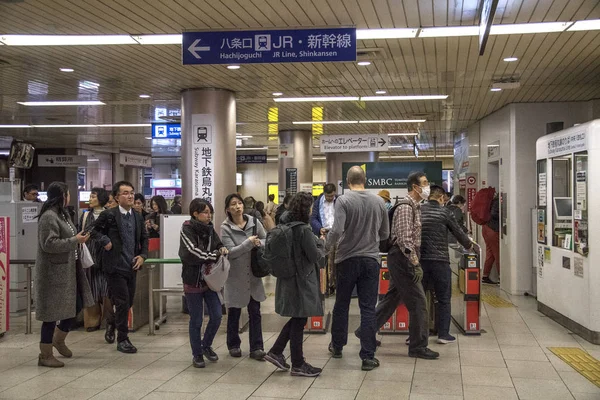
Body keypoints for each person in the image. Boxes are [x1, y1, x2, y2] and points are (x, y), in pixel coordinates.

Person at [357, 171, 440, 360]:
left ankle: (365, 331)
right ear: (415, 187)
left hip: (401, 258)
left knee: (391, 300)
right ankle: (418, 346)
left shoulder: (415, 206)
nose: (427, 186)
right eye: (425, 183)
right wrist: (415, 263)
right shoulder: (405, 207)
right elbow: (404, 239)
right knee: (419, 304)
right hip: (403, 259)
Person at [327, 166, 389, 371]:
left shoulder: (343, 201)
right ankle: (368, 356)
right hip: (371, 260)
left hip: (346, 259)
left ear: (347, 180)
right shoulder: (379, 202)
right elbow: (385, 234)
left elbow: (336, 231)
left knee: (342, 304)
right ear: (366, 179)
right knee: (368, 308)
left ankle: (337, 346)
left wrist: (326, 246)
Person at [264, 192, 325, 377]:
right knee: (299, 319)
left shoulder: (286, 224)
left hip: (289, 278)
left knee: (298, 318)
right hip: (302, 280)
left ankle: (276, 351)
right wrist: (321, 243)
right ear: (307, 209)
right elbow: (315, 256)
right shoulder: (304, 230)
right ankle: (297, 363)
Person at [34, 182, 94, 368]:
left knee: (75, 306)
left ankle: (58, 340)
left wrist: (78, 239)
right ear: (61, 195)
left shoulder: (64, 214)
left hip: (69, 269)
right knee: (50, 315)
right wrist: (74, 239)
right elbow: (48, 244)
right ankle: (45, 354)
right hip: (53, 273)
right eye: (67, 193)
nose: (69, 196)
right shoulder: (48, 217)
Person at [92, 181, 149, 354]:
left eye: (131, 192)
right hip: (115, 265)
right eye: (125, 193)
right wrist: (105, 241)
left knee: (128, 301)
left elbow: (144, 239)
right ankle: (122, 339)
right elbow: (93, 231)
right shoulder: (109, 215)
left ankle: (111, 321)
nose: (130, 196)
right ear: (116, 197)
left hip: (132, 265)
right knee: (123, 302)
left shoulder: (138, 216)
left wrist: (143, 256)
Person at [420, 185, 478, 344]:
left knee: (418, 298)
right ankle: (443, 334)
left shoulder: (418, 210)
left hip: (421, 261)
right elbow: (458, 232)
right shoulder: (445, 212)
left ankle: (417, 335)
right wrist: (469, 245)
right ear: (440, 198)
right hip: (440, 261)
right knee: (444, 298)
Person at [179, 199, 228, 368]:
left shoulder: (209, 228)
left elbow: (217, 243)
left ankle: (206, 345)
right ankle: (197, 354)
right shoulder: (187, 228)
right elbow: (192, 253)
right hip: (192, 280)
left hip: (210, 281)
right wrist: (214, 255)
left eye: (210, 212)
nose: (209, 216)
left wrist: (221, 248)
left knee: (216, 315)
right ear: (195, 213)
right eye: (205, 212)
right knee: (196, 320)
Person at [221, 193, 267, 360]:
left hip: (253, 275)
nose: (237, 206)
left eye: (239, 203)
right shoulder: (225, 228)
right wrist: (248, 243)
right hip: (235, 276)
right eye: (233, 204)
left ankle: (257, 347)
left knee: (255, 311)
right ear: (228, 209)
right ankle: (233, 344)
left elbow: (266, 238)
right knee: (234, 310)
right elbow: (231, 252)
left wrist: (259, 243)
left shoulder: (254, 222)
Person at [79, 187, 115, 336]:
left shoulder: (111, 214)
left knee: (107, 289)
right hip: (89, 256)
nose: (91, 199)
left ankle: (110, 320)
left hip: (106, 254)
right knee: (91, 289)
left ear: (101, 198)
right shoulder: (85, 215)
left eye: (93, 196)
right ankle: (92, 321)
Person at [482, 194, 500, 285]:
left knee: (490, 253)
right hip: (493, 229)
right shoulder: (497, 201)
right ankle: (502, 277)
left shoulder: (491, 201)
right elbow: (494, 213)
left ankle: (485, 276)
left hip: (486, 227)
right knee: (498, 253)